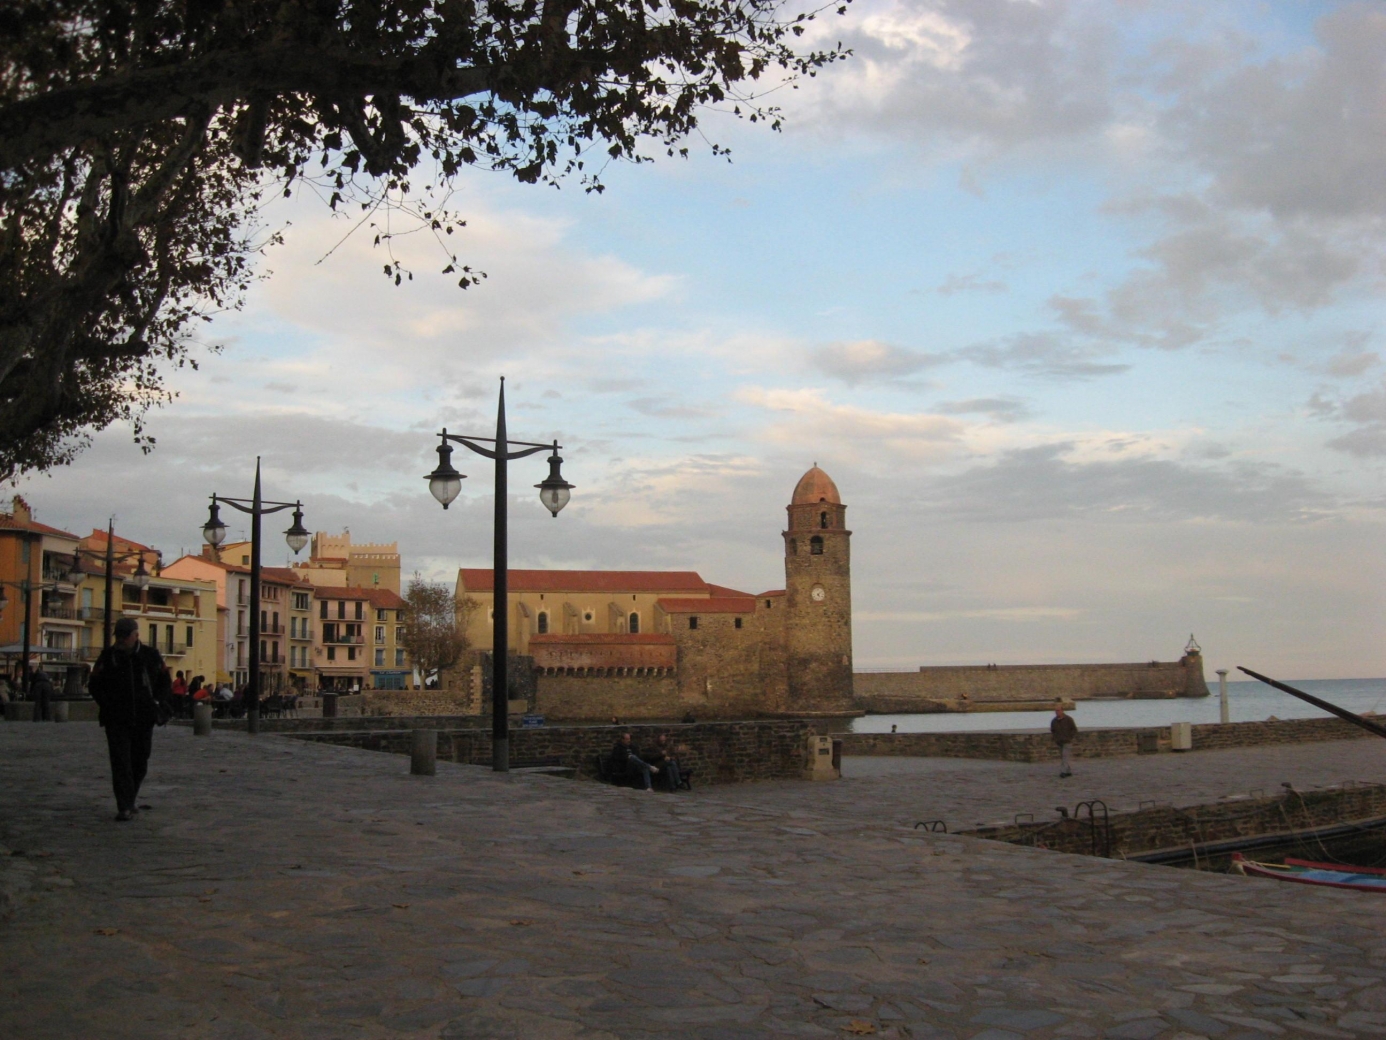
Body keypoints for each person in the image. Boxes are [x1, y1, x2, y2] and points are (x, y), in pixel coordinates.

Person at [88, 617, 173, 822]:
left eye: (126, 636)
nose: (121, 639)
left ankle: (130, 798)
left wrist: (157, 702)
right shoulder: (108, 657)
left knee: (140, 761)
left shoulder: (150, 655)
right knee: (120, 762)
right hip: (116, 719)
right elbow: (94, 684)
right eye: (119, 636)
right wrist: (107, 704)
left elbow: (165, 681)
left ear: (136, 636)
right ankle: (124, 805)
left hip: (144, 718)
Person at [1051, 702, 1077, 778]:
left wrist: (1070, 737)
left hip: (1067, 741)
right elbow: (1053, 730)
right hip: (1059, 742)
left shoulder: (1068, 719)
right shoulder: (1054, 721)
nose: (1057, 712)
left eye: (1058, 710)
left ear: (1062, 711)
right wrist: (1055, 738)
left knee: (1065, 757)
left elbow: (1074, 729)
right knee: (1063, 757)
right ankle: (1068, 771)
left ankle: (1063, 772)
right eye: (1056, 711)